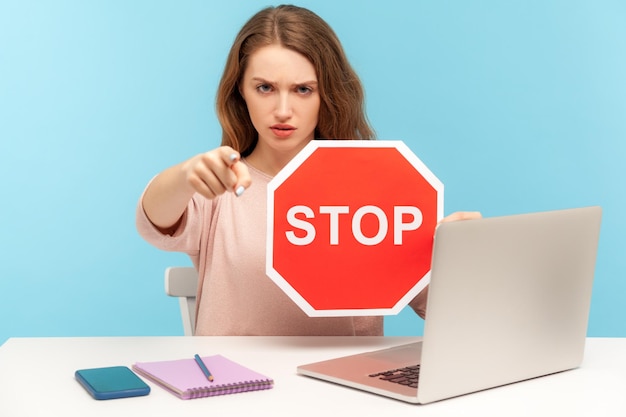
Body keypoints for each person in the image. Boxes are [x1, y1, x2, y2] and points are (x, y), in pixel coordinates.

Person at [136, 5, 480, 336]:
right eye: (265, 88)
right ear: (241, 91)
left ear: (326, 94)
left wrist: (455, 259)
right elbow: (154, 221)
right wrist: (185, 176)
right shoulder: (220, 186)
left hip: (346, 386)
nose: (283, 110)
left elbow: (447, 307)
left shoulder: (374, 195)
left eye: (303, 89)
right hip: (235, 387)